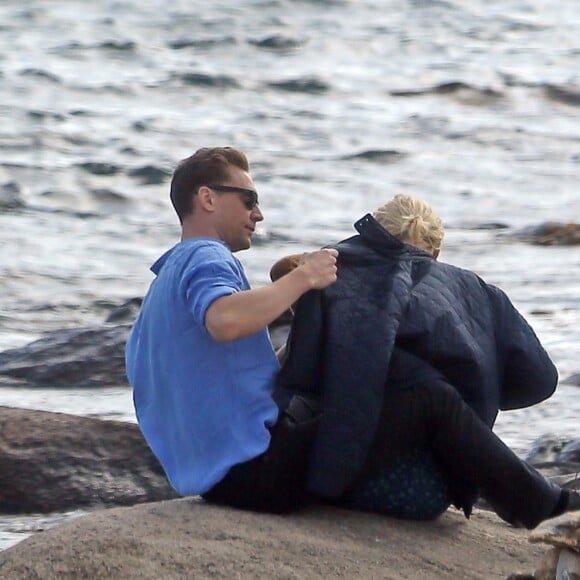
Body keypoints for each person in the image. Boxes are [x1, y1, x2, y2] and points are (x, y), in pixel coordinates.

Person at [275, 193, 580, 528]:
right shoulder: (476, 291)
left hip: (333, 474)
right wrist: (482, 381)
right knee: (433, 396)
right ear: (436, 253)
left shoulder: (334, 273)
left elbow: (298, 368)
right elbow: (541, 380)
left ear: (372, 235)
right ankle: (541, 501)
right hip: (426, 493)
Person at [125, 146, 338, 513]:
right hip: (262, 468)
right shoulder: (208, 255)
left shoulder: (161, 288)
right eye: (248, 199)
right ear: (207, 198)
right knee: (420, 401)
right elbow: (224, 320)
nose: (258, 213)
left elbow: (226, 370)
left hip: (218, 482)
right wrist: (305, 276)